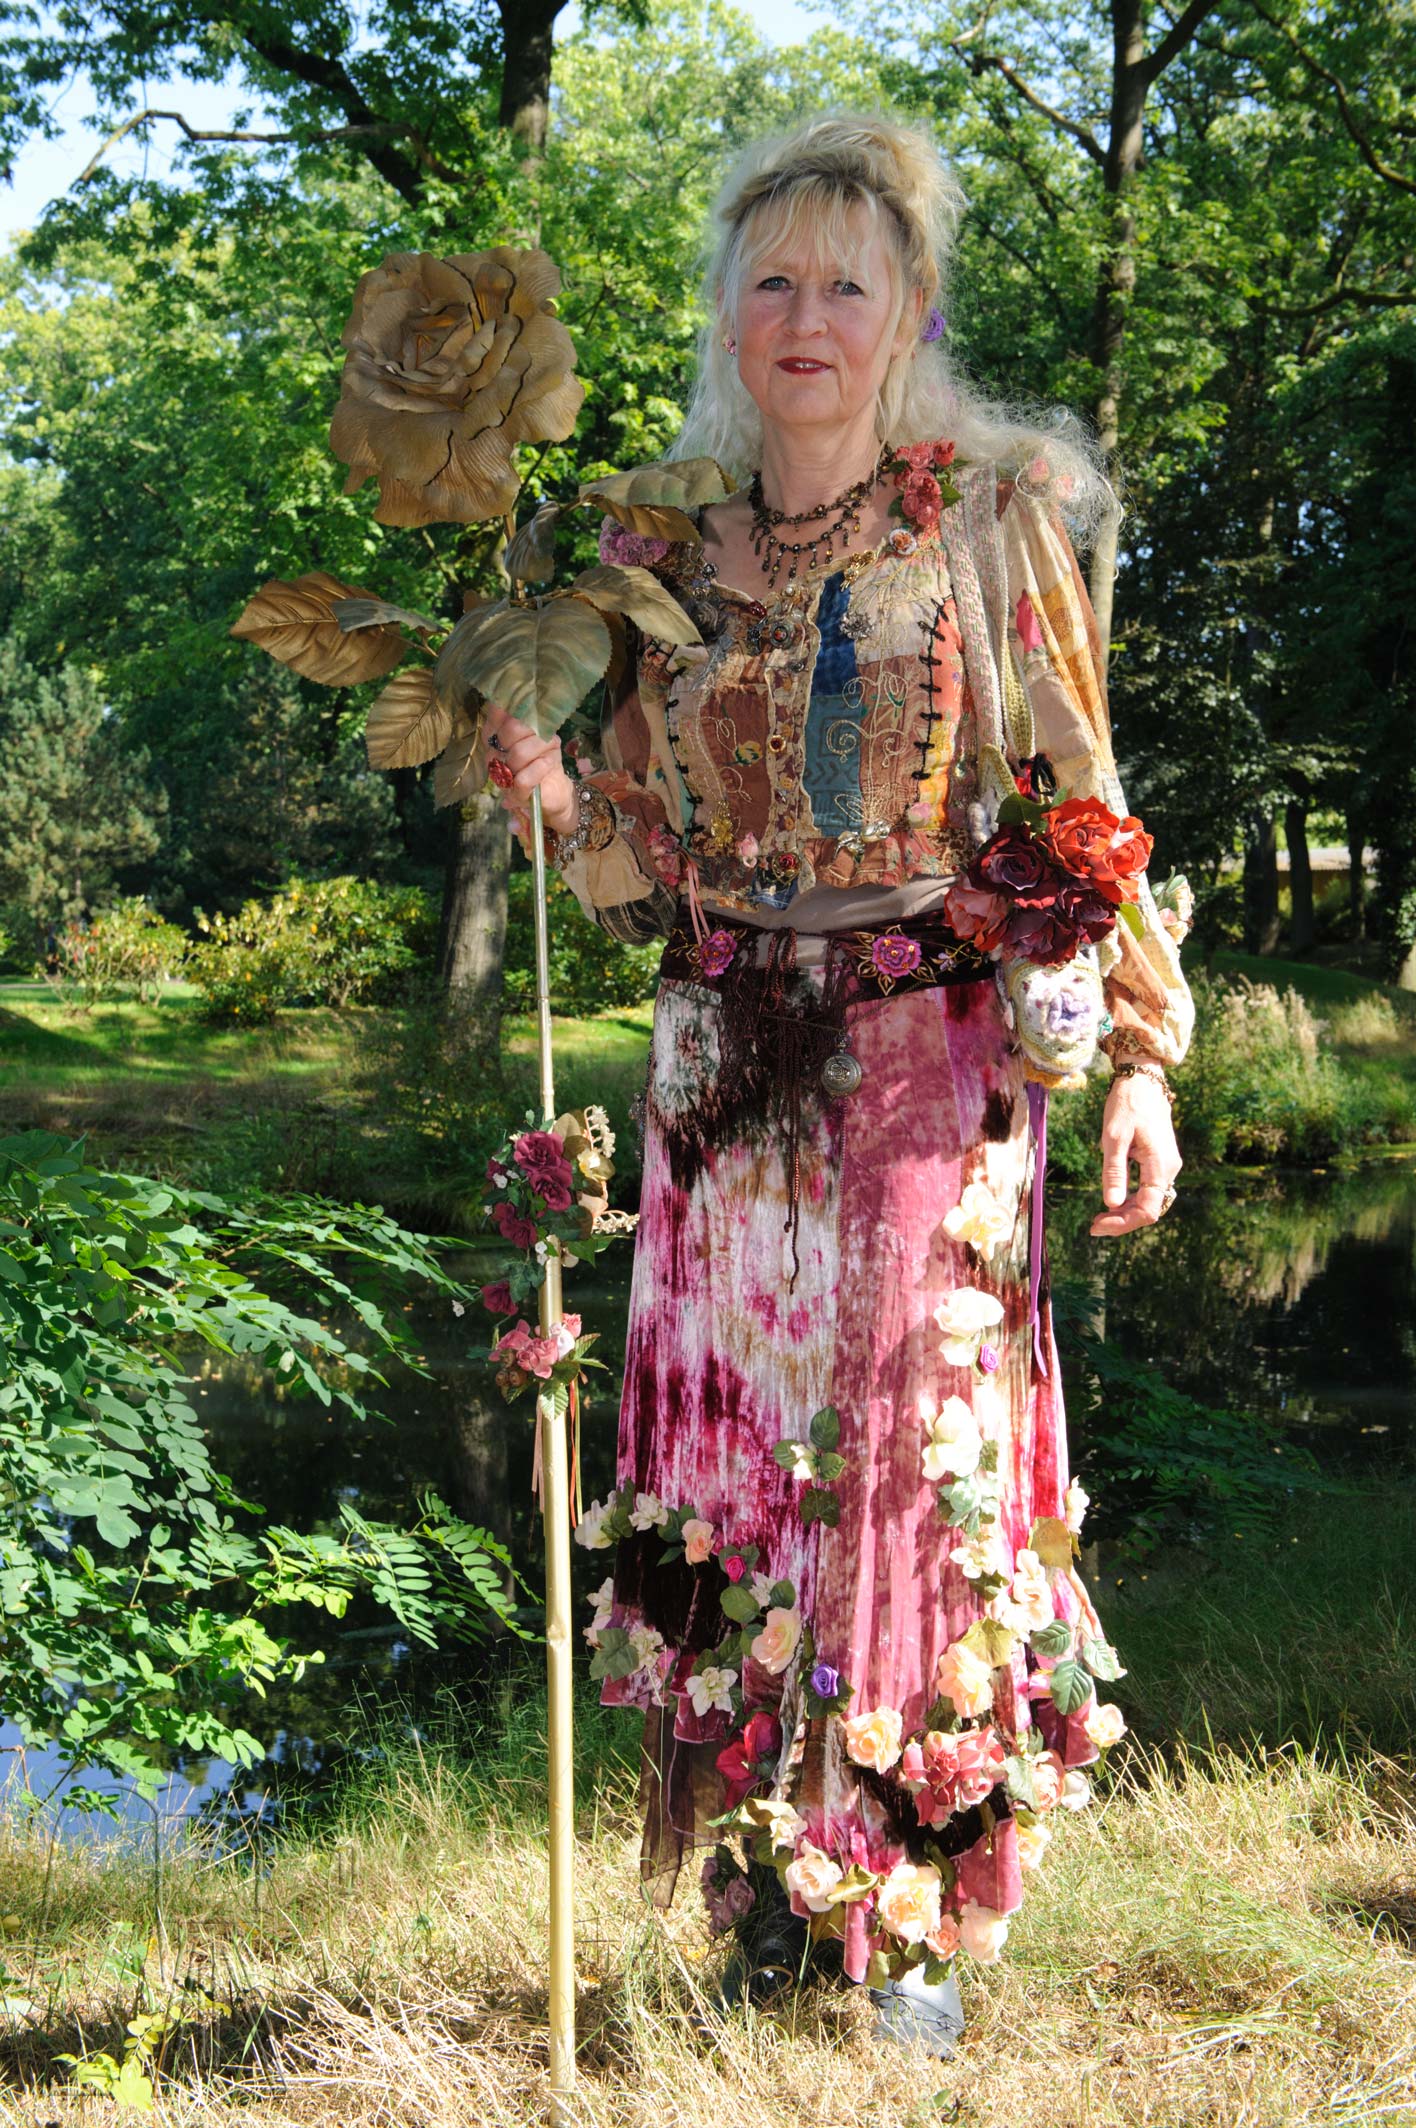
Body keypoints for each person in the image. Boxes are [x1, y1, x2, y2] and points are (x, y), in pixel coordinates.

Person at [486, 112, 1193, 2055]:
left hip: (925, 1061)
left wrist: (1141, 1058)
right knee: (737, 1458)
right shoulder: (653, 557)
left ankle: (901, 1906)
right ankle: (766, 1899)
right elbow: (637, 863)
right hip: (722, 1067)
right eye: (773, 280)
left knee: (898, 1458)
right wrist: (549, 794)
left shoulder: (984, 516)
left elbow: (1080, 798)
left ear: (911, 314)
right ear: (728, 313)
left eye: (848, 283)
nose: (809, 315)